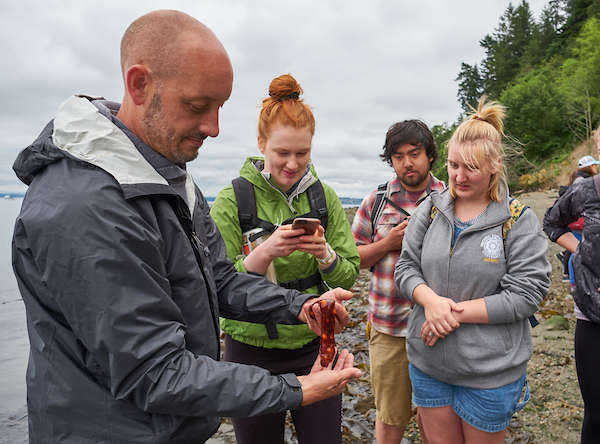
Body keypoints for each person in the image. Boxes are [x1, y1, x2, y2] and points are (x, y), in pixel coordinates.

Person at [11, 11, 362, 443]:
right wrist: (295, 389)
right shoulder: (84, 206)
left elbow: (220, 280)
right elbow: (154, 372)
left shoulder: (167, 176)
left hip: (170, 427)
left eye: (220, 108)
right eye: (199, 106)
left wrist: (298, 307)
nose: (214, 128)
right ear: (139, 85)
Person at [210, 74, 360, 444]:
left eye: (302, 153)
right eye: (282, 153)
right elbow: (215, 284)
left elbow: (349, 276)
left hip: (316, 345)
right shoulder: (232, 200)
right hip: (249, 352)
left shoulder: (324, 198)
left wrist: (326, 256)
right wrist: (264, 253)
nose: (293, 164)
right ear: (262, 144)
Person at [395, 96, 551, 444]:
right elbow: (406, 268)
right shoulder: (430, 209)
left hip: (491, 373)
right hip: (429, 365)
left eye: (471, 167)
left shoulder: (518, 220)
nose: (458, 176)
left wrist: (449, 313)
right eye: (452, 165)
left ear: (495, 165)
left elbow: (527, 295)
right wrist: (429, 301)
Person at [350, 119, 445, 444]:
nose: (408, 162)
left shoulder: (451, 199)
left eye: (415, 153)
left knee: (439, 416)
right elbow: (354, 262)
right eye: (399, 155)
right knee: (390, 416)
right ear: (390, 160)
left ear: (430, 155)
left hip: (441, 328)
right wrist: (387, 243)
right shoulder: (375, 202)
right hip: (389, 329)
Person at [543, 133, 600, 444]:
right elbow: (552, 222)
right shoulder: (588, 190)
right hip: (593, 315)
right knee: (596, 416)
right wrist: (579, 251)